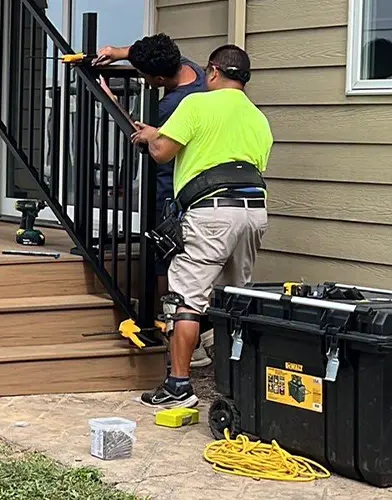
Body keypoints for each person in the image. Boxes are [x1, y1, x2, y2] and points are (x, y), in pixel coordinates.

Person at [129, 44, 273, 409]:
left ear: (212, 71)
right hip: (254, 211)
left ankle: (178, 386)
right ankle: (241, 385)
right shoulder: (259, 118)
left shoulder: (194, 103)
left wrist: (151, 136)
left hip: (211, 213)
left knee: (186, 302)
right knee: (236, 299)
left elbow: (162, 152)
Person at [94, 33, 214, 367]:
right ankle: (197, 330)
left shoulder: (173, 105)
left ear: (158, 79)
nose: (145, 80)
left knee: (167, 257)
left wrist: (112, 103)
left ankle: (173, 331)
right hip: (207, 191)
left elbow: (150, 143)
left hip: (174, 185)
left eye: (146, 76)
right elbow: (155, 53)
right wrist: (120, 52)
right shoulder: (195, 72)